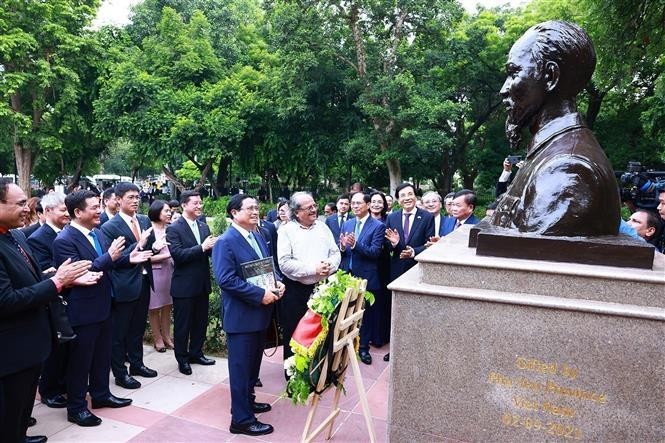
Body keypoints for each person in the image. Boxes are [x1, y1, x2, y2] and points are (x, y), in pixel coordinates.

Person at [489, 21, 620, 236]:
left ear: (550, 76)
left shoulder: (568, 168)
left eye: (514, 73)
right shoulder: (547, 153)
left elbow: (531, 256)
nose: (504, 90)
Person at [0, 178, 94, 443]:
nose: (28, 209)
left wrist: (49, 276)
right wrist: (56, 282)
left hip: (32, 345)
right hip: (11, 351)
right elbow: (5, 300)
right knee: (9, 414)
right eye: (19, 204)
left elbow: (26, 279)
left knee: (21, 411)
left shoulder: (16, 235)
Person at [53, 191, 134, 427]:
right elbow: (81, 272)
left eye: (99, 206)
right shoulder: (64, 240)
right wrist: (109, 257)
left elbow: (112, 261)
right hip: (82, 310)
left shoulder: (97, 233)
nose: (99, 210)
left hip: (105, 304)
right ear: (77, 212)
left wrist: (130, 256)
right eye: (93, 207)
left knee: (102, 355)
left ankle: (101, 395)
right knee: (81, 361)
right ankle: (76, 407)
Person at [212, 194, 283, 436]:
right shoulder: (226, 241)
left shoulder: (258, 235)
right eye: (250, 208)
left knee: (252, 368)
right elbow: (226, 280)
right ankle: (241, 420)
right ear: (234, 213)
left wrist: (277, 283)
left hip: (260, 314)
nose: (255, 211)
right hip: (242, 317)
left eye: (257, 207)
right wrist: (259, 294)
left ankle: (248, 402)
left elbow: (266, 266)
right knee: (241, 370)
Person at [100, 182, 156, 390]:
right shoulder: (109, 227)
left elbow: (147, 249)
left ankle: (137, 364)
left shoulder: (142, 219)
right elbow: (113, 259)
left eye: (137, 197)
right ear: (118, 199)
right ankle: (120, 373)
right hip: (123, 284)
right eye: (130, 197)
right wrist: (139, 244)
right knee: (120, 332)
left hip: (143, 280)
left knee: (138, 327)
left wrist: (153, 247)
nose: (135, 201)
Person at [277, 191, 340, 363]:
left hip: (322, 290)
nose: (314, 209)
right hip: (296, 292)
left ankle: (318, 374)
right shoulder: (286, 231)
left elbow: (335, 252)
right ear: (296, 212)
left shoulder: (323, 227)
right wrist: (313, 269)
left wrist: (330, 266)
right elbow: (284, 263)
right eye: (309, 207)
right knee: (295, 334)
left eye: (314, 205)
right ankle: (293, 379)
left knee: (321, 333)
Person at [166, 190, 218, 375]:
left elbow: (209, 253)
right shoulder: (174, 228)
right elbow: (178, 255)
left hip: (202, 283)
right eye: (195, 203)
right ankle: (182, 358)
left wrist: (216, 247)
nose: (199, 206)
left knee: (200, 322)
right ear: (184, 205)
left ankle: (197, 353)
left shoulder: (204, 227)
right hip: (184, 286)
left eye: (200, 203)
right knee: (183, 325)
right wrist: (202, 247)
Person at [27, 192, 70, 410]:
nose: (66, 214)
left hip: (69, 299)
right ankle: (49, 391)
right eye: (62, 210)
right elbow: (44, 272)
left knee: (66, 349)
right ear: (48, 211)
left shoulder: (68, 233)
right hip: (52, 300)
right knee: (54, 350)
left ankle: (62, 384)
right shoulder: (38, 238)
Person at [384, 183, 434, 361]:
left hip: (416, 270)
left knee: (416, 310)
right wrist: (396, 244)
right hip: (397, 269)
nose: (407, 198)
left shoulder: (427, 217)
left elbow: (429, 244)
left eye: (410, 194)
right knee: (396, 311)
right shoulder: (392, 217)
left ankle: (415, 349)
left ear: (415, 196)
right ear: (398, 199)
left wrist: (414, 252)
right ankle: (395, 348)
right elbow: (388, 243)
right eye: (403, 195)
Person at [339, 192, 386, 365]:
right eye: (353, 203)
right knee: (347, 311)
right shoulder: (347, 223)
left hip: (367, 277)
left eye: (359, 203)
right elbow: (343, 250)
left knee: (365, 315)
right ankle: (346, 345)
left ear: (367, 205)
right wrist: (343, 247)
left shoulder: (377, 226)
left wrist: (355, 244)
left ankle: (363, 348)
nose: (355, 206)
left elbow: (374, 253)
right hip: (348, 275)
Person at [147, 200, 174, 352]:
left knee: (168, 306)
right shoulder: (149, 231)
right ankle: (157, 338)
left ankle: (167, 337)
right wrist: (163, 256)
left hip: (171, 272)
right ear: (156, 212)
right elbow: (144, 256)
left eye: (170, 211)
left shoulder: (171, 230)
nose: (169, 213)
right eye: (166, 211)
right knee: (154, 308)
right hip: (155, 272)